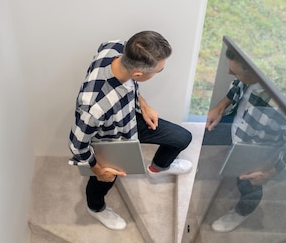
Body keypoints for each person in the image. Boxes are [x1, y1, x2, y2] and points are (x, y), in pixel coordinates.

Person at [69, 31, 193, 230]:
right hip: (110, 137)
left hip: (130, 117)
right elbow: (77, 145)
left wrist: (142, 104)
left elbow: (130, 83)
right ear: (138, 74)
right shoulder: (94, 107)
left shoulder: (117, 47)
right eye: (158, 71)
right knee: (104, 181)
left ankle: (158, 168)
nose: (160, 72)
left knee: (182, 138)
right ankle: (96, 208)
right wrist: (98, 170)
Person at [204, 46, 286, 232]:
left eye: (235, 71)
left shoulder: (285, 109)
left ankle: (244, 211)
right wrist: (220, 106)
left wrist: (270, 173)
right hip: (239, 133)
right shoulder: (248, 79)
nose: (228, 72)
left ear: (254, 72)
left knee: (248, 184)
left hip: (256, 154)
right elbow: (238, 86)